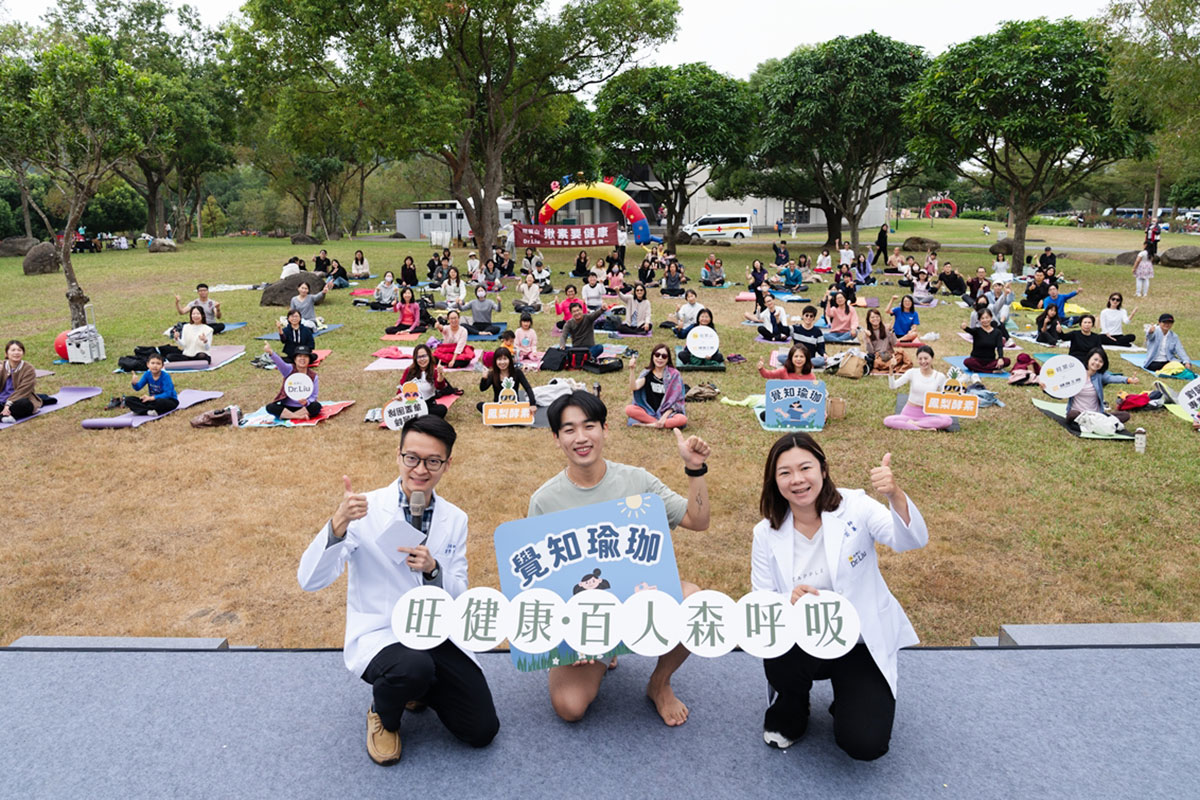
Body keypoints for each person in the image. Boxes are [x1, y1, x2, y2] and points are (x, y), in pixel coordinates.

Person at [298, 415, 498, 765]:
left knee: (481, 730)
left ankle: (417, 689)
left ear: (447, 465)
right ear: (398, 456)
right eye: (412, 458)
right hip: (384, 633)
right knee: (412, 666)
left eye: (432, 461)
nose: (420, 470)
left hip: (435, 634)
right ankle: (384, 716)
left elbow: (460, 594)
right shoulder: (366, 510)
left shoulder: (456, 519)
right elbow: (310, 580)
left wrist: (434, 570)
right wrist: (338, 524)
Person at [529, 391, 710, 726]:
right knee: (570, 707)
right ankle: (604, 651)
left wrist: (694, 469)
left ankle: (660, 682)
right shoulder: (543, 501)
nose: (581, 438)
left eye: (589, 426)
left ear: (605, 429)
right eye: (569, 430)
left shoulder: (637, 481)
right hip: (585, 617)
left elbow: (697, 522)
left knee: (695, 602)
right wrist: (571, 636)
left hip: (638, 598)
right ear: (556, 438)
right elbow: (543, 587)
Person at [752, 433, 928, 759]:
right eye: (785, 472)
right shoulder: (766, 532)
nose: (798, 480)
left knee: (865, 745)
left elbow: (910, 540)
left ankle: (847, 701)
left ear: (823, 468)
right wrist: (787, 600)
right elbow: (761, 600)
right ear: (774, 481)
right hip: (799, 641)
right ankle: (792, 705)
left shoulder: (856, 507)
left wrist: (895, 495)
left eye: (805, 467)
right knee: (780, 658)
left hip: (859, 643)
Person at [1061, 347, 1138, 425]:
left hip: (1095, 416)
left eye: (1101, 361)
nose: (1097, 363)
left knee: (1125, 415)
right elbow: (1058, 390)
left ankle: (1095, 423)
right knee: (1072, 414)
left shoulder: (1100, 376)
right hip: (1078, 414)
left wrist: (1129, 380)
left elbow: (1112, 378)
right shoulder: (1076, 374)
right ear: (1088, 359)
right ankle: (1094, 424)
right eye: (1095, 359)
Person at [883, 346, 953, 430]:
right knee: (888, 421)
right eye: (920, 359)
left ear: (932, 358)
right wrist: (891, 369)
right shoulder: (912, 372)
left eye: (926, 358)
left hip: (928, 415)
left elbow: (945, 396)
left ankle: (915, 424)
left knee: (947, 420)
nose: (923, 361)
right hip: (908, 413)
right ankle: (922, 428)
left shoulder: (939, 376)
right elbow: (893, 386)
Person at [626, 344, 688, 429]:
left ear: (668, 359)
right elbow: (634, 387)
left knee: (682, 419)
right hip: (649, 411)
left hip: (667, 413)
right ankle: (657, 424)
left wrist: (664, 417)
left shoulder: (674, 375)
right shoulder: (647, 373)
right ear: (653, 356)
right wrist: (632, 370)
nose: (660, 358)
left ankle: (648, 424)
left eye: (664, 356)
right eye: (657, 355)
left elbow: (676, 402)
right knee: (629, 409)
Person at [0, 340, 56, 423]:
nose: (16, 353)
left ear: (23, 353)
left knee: (24, 404)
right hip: (1, 400)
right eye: (13, 350)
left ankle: (4, 414)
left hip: (18, 399)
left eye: (19, 350)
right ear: (6, 353)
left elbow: (24, 390)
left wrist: (8, 405)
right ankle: (4, 415)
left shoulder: (28, 369)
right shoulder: (1, 366)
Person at [108, 352, 179, 416]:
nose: (155, 366)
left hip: (169, 401)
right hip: (153, 401)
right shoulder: (147, 374)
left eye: (158, 363)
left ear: (162, 366)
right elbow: (138, 388)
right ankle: (147, 411)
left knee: (159, 402)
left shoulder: (165, 376)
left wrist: (151, 398)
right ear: (148, 364)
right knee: (128, 400)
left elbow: (168, 394)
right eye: (152, 363)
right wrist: (134, 383)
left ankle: (141, 410)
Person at [263, 344, 321, 420]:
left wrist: (306, 402)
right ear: (295, 359)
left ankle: (289, 416)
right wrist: (271, 352)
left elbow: (314, 396)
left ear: (309, 359)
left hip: (304, 408)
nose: (302, 359)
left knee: (316, 406)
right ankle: (298, 417)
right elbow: (280, 363)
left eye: (305, 356)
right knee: (270, 407)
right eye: (300, 356)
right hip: (287, 407)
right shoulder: (288, 369)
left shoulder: (313, 376)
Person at [398, 344, 452, 418]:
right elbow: (401, 387)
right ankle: (421, 417)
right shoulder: (409, 370)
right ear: (415, 358)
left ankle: (420, 417)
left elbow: (440, 387)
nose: (422, 359)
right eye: (419, 357)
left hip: (428, 404)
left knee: (441, 409)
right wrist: (398, 396)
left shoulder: (434, 371)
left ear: (429, 356)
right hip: (412, 404)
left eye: (424, 356)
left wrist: (440, 375)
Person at [477, 347, 536, 412]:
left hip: (514, 406)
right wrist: (484, 378)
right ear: (495, 361)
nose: (502, 362)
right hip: (499, 406)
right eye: (499, 359)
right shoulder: (493, 374)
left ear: (510, 360)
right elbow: (482, 389)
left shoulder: (517, 372)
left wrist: (532, 404)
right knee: (480, 405)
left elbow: (528, 388)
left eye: (505, 359)